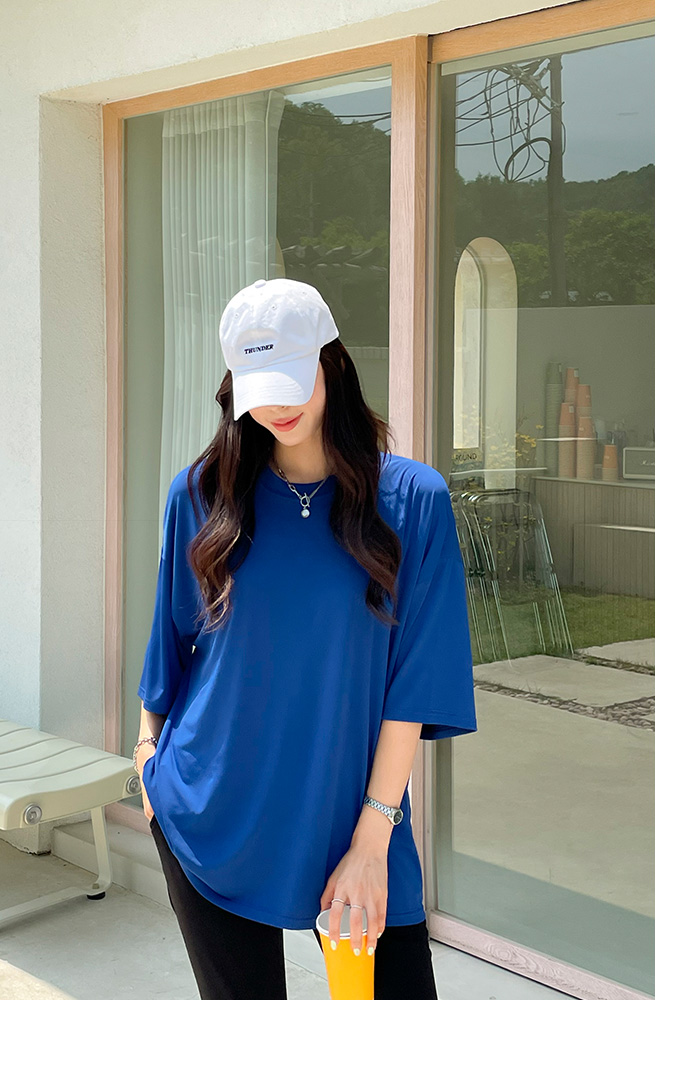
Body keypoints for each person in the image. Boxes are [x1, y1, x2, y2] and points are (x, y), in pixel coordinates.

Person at [134, 277, 477, 1000]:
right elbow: (170, 641)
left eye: (293, 381)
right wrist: (146, 757)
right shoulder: (199, 495)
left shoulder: (413, 501)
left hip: (354, 820)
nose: (278, 407)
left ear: (335, 365)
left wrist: (373, 840)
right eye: (258, 389)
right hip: (210, 811)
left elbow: (413, 685)